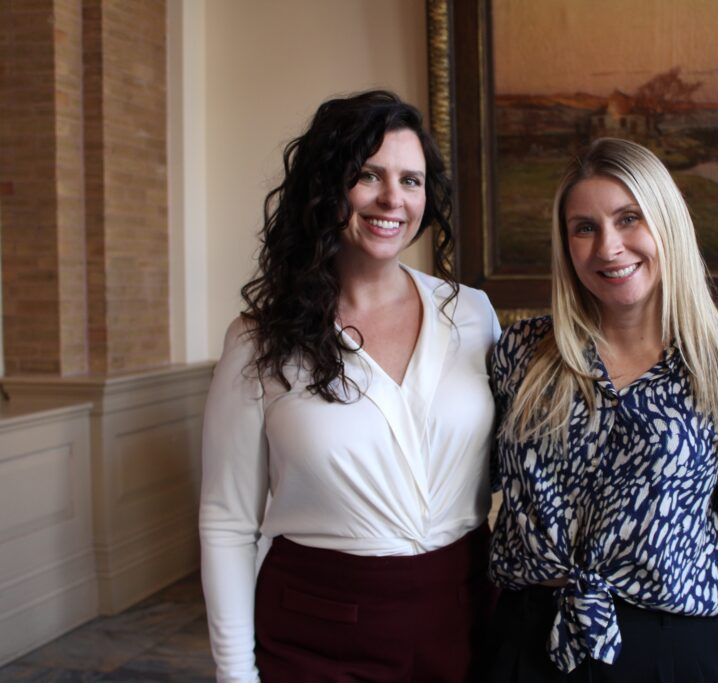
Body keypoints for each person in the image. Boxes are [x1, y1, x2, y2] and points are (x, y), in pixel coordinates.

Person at [199, 91, 500, 683]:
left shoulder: (471, 314)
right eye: (367, 175)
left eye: (411, 181)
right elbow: (227, 521)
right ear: (325, 186)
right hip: (319, 632)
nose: (393, 198)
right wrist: (235, 674)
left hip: (464, 620)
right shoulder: (260, 340)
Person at [485, 138, 718, 682]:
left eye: (628, 219)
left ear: (667, 224)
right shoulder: (521, 355)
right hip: (530, 641)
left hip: (671, 650)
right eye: (585, 228)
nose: (608, 247)